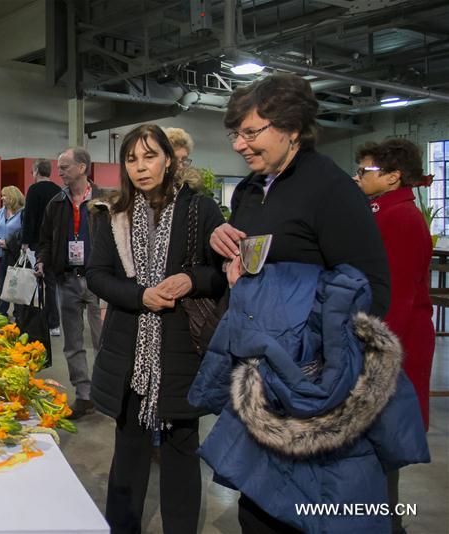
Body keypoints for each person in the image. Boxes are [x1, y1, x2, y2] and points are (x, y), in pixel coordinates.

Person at [206, 73, 392, 532]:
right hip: (260, 378)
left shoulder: (329, 188)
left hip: (312, 383)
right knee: (258, 506)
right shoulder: (249, 190)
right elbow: (251, 261)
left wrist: (310, 357)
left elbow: (371, 290)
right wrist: (223, 245)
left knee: (311, 507)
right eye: (235, 134)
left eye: (251, 133)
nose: (239, 145)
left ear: (291, 128)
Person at [87, 124, 225, 534]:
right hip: (128, 349)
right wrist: (139, 296)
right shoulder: (115, 215)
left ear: (169, 158)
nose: (141, 167)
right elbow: (96, 275)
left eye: (150, 156)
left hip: (182, 350)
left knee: (183, 449)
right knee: (128, 448)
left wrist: (191, 280)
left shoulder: (199, 208)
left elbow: (221, 275)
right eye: (132, 159)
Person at [355, 138, 435, 534]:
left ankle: (387, 524)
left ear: (392, 177)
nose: (358, 177)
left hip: (394, 342)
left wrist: (375, 352)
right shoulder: (380, 212)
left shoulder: (401, 218)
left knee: (384, 434)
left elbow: (397, 296)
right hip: (382, 335)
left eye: (365, 171)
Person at [36, 147, 108, 419]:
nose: (60, 172)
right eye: (59, 167)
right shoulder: (55, 203)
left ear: (82, 168)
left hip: (99, 282)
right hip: (67, 280)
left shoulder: (106, 201)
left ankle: (103, 392)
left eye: (64, 166)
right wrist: (43, 260)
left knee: (104, 341)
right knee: (72, 343)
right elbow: (45, 240)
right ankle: (84, 395)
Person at [22, 159, 62, 336]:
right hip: (55, 244)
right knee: (51, 284)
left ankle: (35, 320)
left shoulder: (33, 190)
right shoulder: (58, 190)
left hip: (37, 244)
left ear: (37, 171)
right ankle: (54, 324)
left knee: (34, 282)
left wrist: (24, 242)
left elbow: (29, 218)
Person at [0, 186, 25, 318]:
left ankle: (18, 313)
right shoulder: (0, 212)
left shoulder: (22, 213)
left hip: (16, 255)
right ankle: (2, 311)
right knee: (1, 284)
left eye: (5, 196)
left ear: (13, 197)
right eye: (2, 196)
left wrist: (9, 243)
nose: (2, 198)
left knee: (16, 285)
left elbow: (23, 234)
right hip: (1, 254)